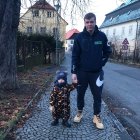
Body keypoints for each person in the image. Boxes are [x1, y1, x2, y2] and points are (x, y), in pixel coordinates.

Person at [71, 12, 112, 129]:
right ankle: (79, 112)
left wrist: (101, 63)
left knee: (97, 95)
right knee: (80, 94)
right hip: (81, 72)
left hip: (97, 73)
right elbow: (75, 56)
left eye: (91, 22)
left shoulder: (102, 36)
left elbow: (107, 51)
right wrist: (74, 72)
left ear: (95, 22)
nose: (89, 24)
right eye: (87, 22)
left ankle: (96, 116)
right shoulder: (79, 37)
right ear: (84, 23)